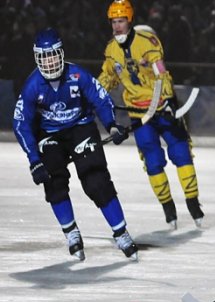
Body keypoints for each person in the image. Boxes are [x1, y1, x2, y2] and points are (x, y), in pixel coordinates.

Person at [12, 28, 137, 261]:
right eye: (44, 56)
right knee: (53, 183)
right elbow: (21, 124)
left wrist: (111, 125)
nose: (50, 62)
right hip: (49, 135)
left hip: (80, 127)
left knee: (96, 180)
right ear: (37, 58)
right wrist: (34, 161)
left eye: (53, 55)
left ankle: (121, 233)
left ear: (61, 53)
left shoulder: (78, 75)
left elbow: (100, 98)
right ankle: (72, 233)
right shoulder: (31, 87)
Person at [97, 0, 204, 230]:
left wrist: (166, 99)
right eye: (114, 22)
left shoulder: (148, 43)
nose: (117, 26)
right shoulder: (111, 51)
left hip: (163, 108)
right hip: (139, 114)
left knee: (181, 152)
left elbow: (161, 73)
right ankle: (168, 208)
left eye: (121, 21)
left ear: (130, 20)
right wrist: (92, 96)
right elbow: (107, 79)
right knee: (153, 161)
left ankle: (193, 203)